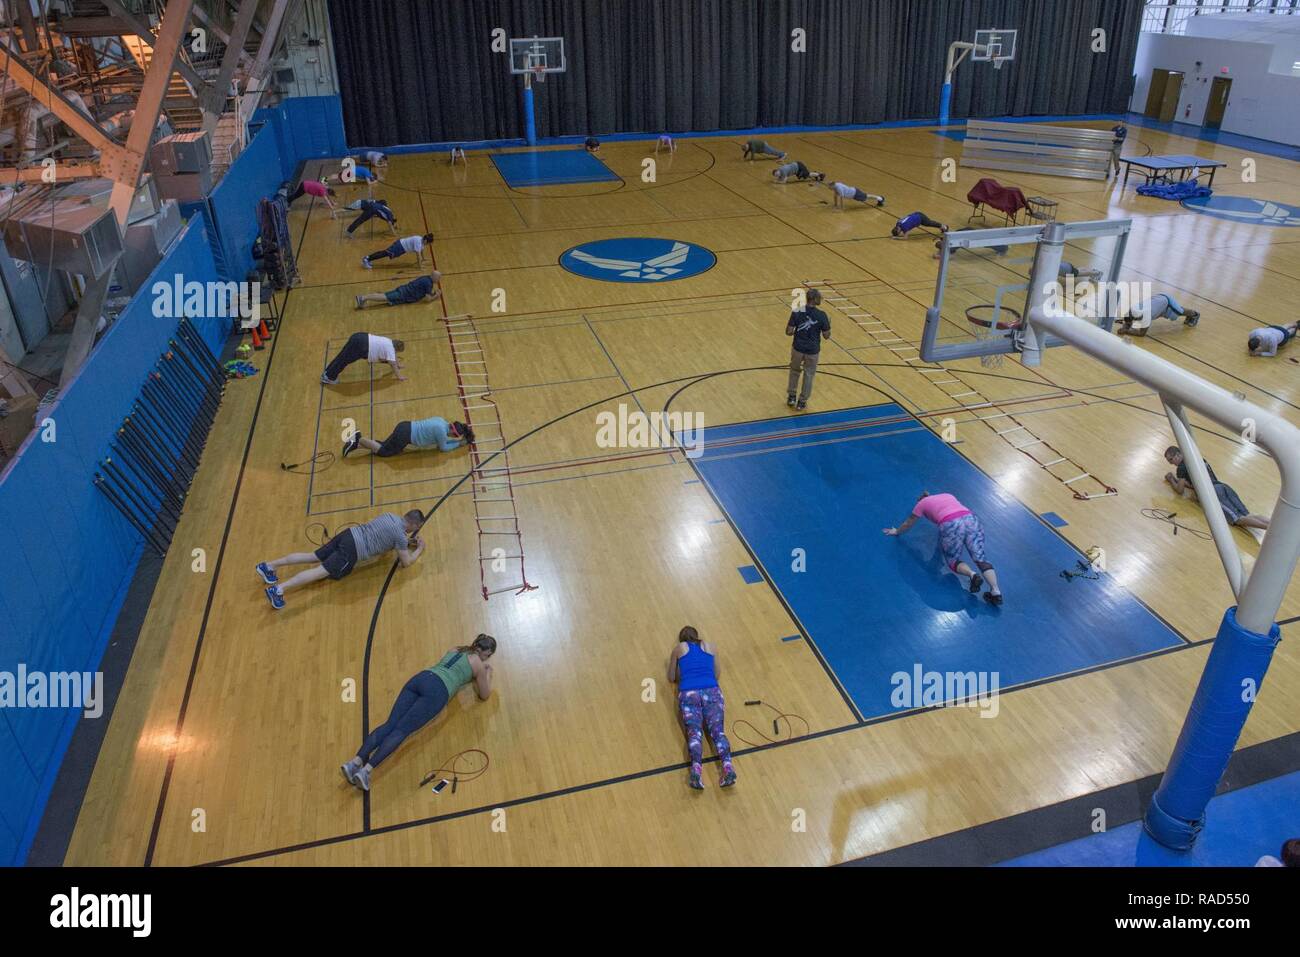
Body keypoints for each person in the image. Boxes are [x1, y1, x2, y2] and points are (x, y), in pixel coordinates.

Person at [342, 634, 497, 791]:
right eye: (488, 656)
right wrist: (487, 674)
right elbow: (485, 695)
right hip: (437, 692)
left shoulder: (456, 649)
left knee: (389, 724)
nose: (487, 659)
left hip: (422, 678)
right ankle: (365, 772)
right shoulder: (479, 665)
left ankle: (354, 763)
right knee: (401, 731)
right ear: (486, 652)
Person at [257, 509, 426, 609]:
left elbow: (384, 537)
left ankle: (269, 566)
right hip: (352, 551)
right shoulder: (400, 537)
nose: (416, 530)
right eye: (417, 527)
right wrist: (419, 548)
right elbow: (406, 563)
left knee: (313, 556)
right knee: (319, 572)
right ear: (414, 525)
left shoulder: (389, 516)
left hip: (348, 534)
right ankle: (279, 590)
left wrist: (403, 543)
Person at [883, 491, 1003, 605]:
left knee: (953, 562)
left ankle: (972, 575)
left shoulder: (921, 504)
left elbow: (908, 523)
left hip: (951, 524)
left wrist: (897, 531)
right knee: (980, 558)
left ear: (920, 499)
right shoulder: (947, 495)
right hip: (971, 519)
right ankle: (996, 592)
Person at [667, 626, 736, 790]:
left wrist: (681, 672)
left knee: (695, 733)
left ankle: (696, 771)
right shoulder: (710, 647)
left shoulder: (679, 649)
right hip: (711, 691)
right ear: (697, 636)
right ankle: (727, 767)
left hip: (689, 693)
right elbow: (717, 673)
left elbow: (671, 677)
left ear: (682, 639)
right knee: (718, 732)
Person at [1163, 447, 1270, 534]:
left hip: (1214, 493)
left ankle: (1270, 530)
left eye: (1171, 460)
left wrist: (1171, 479)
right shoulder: (1198, 458)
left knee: (1238, 519)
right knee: (1247, 515)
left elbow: (1179, 491)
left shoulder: (1181, 468)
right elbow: (1197, 482)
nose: (1171, 463)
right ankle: (1273, 524)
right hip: (1223, 486)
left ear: (1178, 455)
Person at [344, 416, 474, 459]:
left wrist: (456, 441)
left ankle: (356, 444)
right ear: (453, 429)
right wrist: (459, 444)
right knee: (384, 452)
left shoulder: (441, 421)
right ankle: (359, 438)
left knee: (384, 444)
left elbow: (443, 441)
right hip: (405, 435)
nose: (453, 437)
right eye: (455, 435)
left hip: (405, 427)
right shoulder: (441, 431)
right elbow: (443, 447)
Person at [786, 287, 830, 410]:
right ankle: (802, 401)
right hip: (812, 350)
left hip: (798, 348)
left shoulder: (797, 311)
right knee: (809, 375)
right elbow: (827, 336)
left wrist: (798, 331)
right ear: (815, 299)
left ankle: (791, 396)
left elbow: (789, 331)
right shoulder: (822, 315)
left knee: (794, 371)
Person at [320, 331, 406, 384]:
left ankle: (327, 372)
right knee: (344, 360)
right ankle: (329, 377)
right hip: (361, 346)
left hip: (359, 336)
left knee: (341, 356)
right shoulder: (390, 349)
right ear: (396, 349)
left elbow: (393, 357)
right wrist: (399, 377)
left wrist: (399, 365)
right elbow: (393, 363)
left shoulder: (389, 341)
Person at [1117, 293, 1199, 336]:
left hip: (1166, 302)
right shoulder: (1132, 309)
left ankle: (1195, 314)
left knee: (1180, 311)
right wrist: (1125, 327)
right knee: (1176, 311)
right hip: (1158, 301)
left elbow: (1142, 334)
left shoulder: (1146, 315)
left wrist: (1127, 331)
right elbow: (1128, 321)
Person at [355, 271, 441, 310]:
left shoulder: (426, 279)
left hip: (404, 293)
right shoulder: (428, 283)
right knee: (385, 297)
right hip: (403, 293)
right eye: (438, 278)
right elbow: (428, 299)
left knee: (386, 298)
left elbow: (426, 293)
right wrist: (436, 296)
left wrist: (433, 293)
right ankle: (363, 297)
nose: (439, 280)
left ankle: (364, 298)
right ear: (434, 277)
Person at [362, 232, 433, 269]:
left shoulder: (421, 240)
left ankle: (369, 258)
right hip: (399, 246)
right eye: (429, 243)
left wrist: (423, 259)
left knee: (385, 253)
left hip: (402, 248)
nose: (428, 244)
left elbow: (421, 251)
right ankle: (367, 259)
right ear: (426, 240)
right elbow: (418, 255)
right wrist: (420, 267)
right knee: (385, 253)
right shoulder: (418, 241)